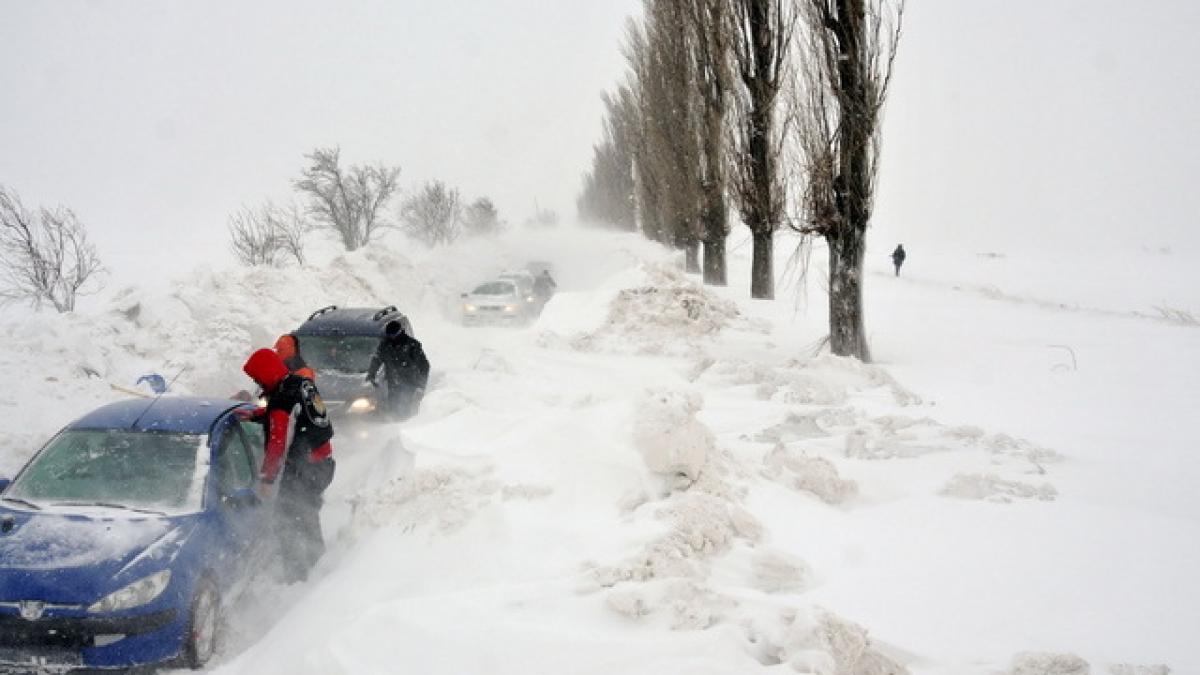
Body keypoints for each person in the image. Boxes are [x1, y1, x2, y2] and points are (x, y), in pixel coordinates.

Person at [242, 348, 335, 583]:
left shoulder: (282, 400)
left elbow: (277, 446)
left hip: (306, 470)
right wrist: (262, 414)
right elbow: (298, 413)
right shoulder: (300, 383)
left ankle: (296, 578)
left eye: (257, 378)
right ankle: (320, 564)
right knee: (307, 515)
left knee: (286, 519)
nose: (258, 383)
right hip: (323, 463)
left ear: (266, 374)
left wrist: (267, 479)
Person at [366, 320, 429, 419]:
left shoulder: (412, 345)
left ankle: (405, 428)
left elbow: (424, 366)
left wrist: (421, 385)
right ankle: (394, 427)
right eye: (389, 335)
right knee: (393, 408)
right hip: (393, 383)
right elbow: (377, 359)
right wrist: (371, 374)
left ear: (400, 332)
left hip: (410, 383)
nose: (391, 337)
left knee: (404, 408)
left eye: (393, 334)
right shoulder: (385, 345)